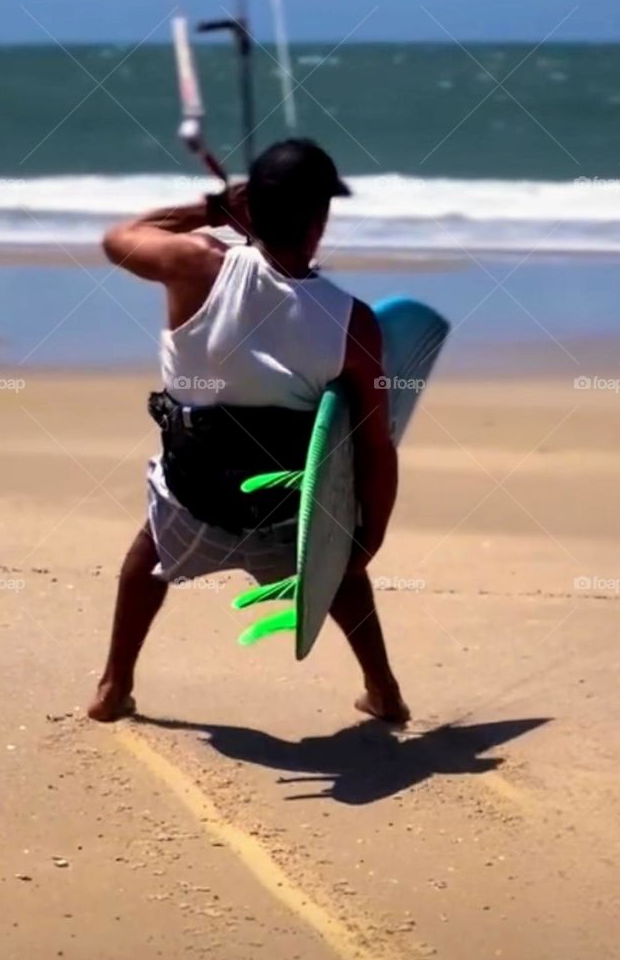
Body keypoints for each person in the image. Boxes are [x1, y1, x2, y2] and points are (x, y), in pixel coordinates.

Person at [88, 138, 408, 724]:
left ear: (251, 207)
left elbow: (118, 238)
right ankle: (383, 689)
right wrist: (368, 538)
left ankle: (113, 687)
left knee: (146, 556)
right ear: (322, 219)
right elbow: (372, 445)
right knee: (338, 568)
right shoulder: (353, 322)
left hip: (191, 500)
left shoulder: (194, 264)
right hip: (286, 515)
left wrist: (211, 209)